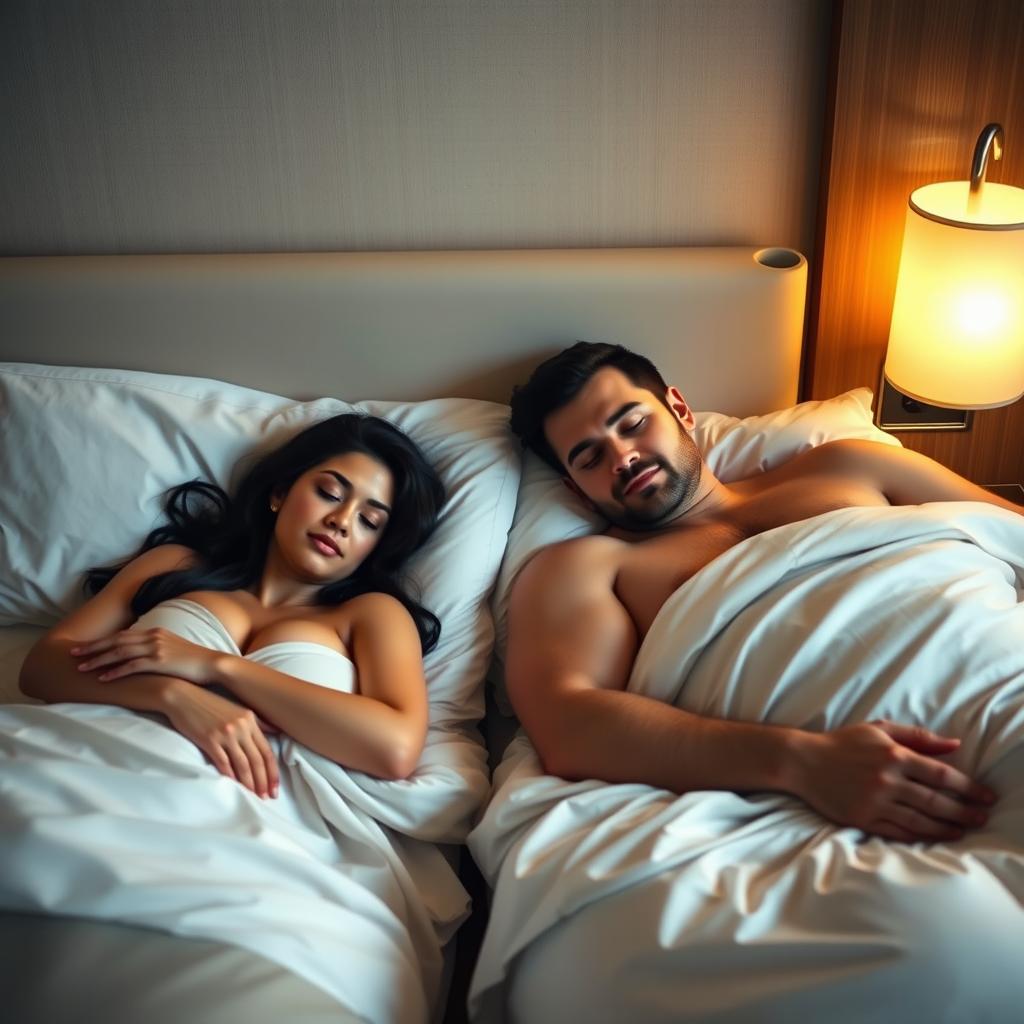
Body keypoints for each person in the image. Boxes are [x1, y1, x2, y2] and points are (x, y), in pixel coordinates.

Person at [506, 341, 1023, 843]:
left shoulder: (848, 465)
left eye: (633, 423)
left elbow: (1011, 529)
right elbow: (569, 725)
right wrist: (802, 763)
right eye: (588, 457)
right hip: (831, 775)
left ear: (680, 409)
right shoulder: (587, 568)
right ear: (574, 489)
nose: (622, 457)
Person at [19, 411, 446, 792]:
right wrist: (174, 696)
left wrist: (214, 665)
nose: (341, 522)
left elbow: (396, 748)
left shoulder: (371, 614)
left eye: (369, 521)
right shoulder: (175, 564)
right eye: (330, 493)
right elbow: (41, 667)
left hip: (247, 817)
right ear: (279, 492)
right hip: (86, 764)